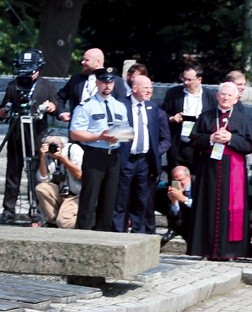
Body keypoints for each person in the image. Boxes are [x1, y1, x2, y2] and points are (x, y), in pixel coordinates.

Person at [188, 82, 252, 260]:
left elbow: (250, 144)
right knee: (207, 206)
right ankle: (205, 249)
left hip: (232, 170)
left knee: (230, 209)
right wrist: (211, 138)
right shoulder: (206, 116)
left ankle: (231, 251)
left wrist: (231, 138)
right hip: (209, 169)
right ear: (217, 96)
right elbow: (193, 140)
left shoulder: (242, 118)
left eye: (229, 95)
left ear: (236, 98)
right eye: (223, 94)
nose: (226, 98)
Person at [0, 49, 58, 225]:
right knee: (12, 174)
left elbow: (56, 106)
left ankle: (37, 211)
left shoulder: (47, 85)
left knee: (36, 173)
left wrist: (52, 107)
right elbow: (2, 110)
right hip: (16, 133)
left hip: (36, 134)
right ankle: (8, 211)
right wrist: (3, 112)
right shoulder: (13, 84)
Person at [70, 68, 129, 231]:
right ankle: (83, 234)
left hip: (113, 155)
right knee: (89, 199)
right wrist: (99, 137)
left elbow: (124, 129)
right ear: (97, 83)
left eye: (110, 82)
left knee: (109, 201)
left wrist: (124, 135)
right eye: (104, 82)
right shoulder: (86, 106)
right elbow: (75, 133)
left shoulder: (119, 106)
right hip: (95, 154)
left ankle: (103, 235)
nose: (107, 86)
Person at [113, 75, 170, 233]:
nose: (149, 91)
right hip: (126, 159)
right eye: (145, 88)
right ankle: (119, 234)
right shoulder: (121, 105)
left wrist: (154, 152)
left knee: (141, 201)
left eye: (151, 88)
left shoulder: (153, 108)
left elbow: (165, 139)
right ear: (135, 88)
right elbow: (116, 134)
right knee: (121, 200)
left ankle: (140, 235)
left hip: (145, 161)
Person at [161, 64, 218, 171]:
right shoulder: (173, 93)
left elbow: (215, 120)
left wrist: (202, 121)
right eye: (184, 78)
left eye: (189, 80)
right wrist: (172, 118)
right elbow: (162, 114)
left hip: (200, 146)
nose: (185, 82)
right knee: (176, 179)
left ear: (199, 79)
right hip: (177, 144)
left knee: (197, 181)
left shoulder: (210, 97)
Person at [56, 47, 127, 123]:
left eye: (86, 60)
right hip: (78, 128)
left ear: (97, 62)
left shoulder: (117, 81)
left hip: (105, 129)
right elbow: (59, 97)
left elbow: (122, 104)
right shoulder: (76, 79)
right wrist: (61, 112)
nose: (82, 62)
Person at [35, 134, 83, 228]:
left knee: (64, 224)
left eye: (56, 145)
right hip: (62, 192)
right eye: (50, 146)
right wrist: (42, 157)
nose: (54, 148)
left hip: (77, 194)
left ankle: (89, 220)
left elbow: (79, 174)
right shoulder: (48, 155)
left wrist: (62, 158)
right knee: (41, 188)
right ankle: (55, 222)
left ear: (63, 144)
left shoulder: (73, 149)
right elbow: (43, 178)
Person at [162, 165, 193, 249]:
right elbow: (175, 215)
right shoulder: (172, 188)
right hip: (183, 221)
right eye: (175, 181)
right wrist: (174, 202)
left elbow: (202, 206)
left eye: (181, 180)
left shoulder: (198, 184)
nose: (179, 184)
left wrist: (184, 199)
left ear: (188, 177)